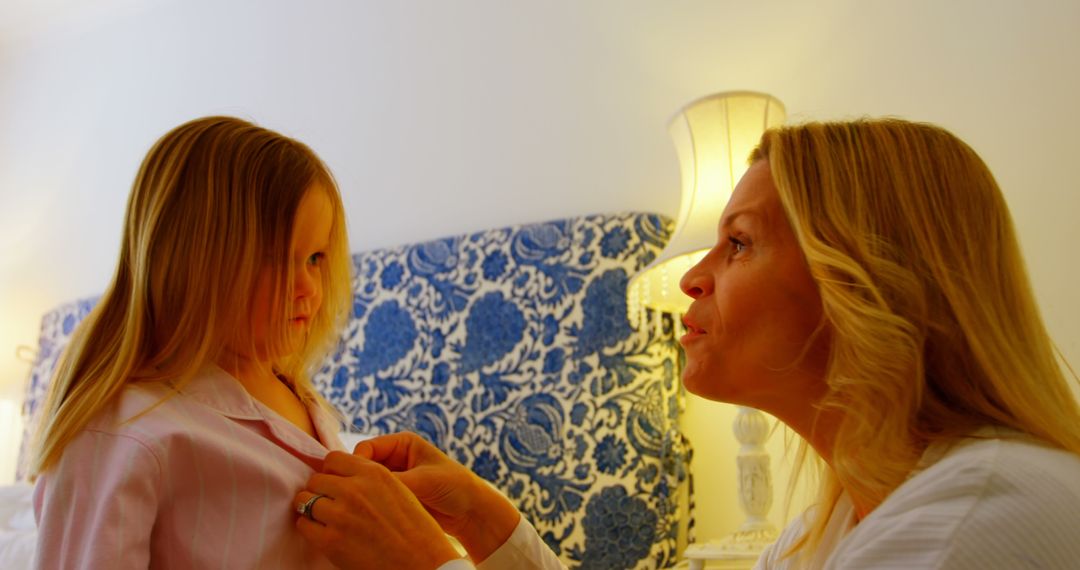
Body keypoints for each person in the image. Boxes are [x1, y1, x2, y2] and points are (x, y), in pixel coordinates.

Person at [294, 118, 1080, 569]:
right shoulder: (823, 535)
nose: (693, 278)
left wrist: (426, 566)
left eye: (738, 243)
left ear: (868, 278)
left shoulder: (973, 520)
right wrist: (493, 527)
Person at [30, 116, 356, 568]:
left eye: (316, 258)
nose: (309, 288)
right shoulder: (126, 433)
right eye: (275, 259)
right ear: (193, 262)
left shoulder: (290, 389)